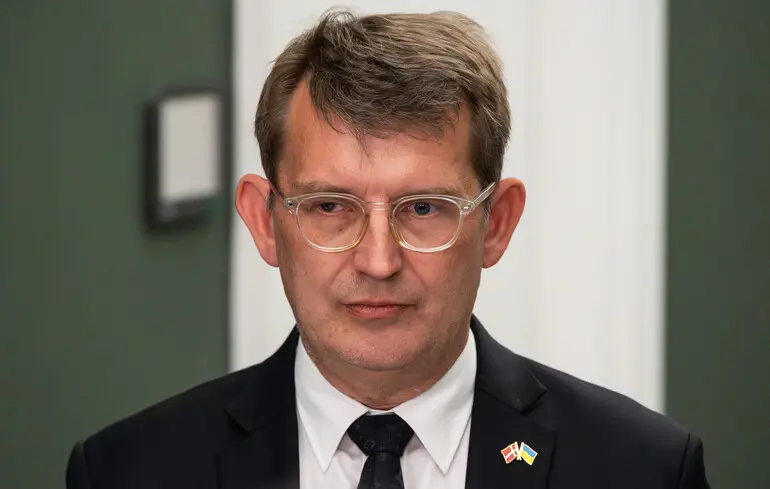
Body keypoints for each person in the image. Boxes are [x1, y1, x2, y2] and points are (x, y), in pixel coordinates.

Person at [66, 9, 710, 489]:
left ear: (497, 223)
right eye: (330, 207)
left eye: (423, 209)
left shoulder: (643, 469)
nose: (378, 261)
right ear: (265, 222)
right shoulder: (128, 472)